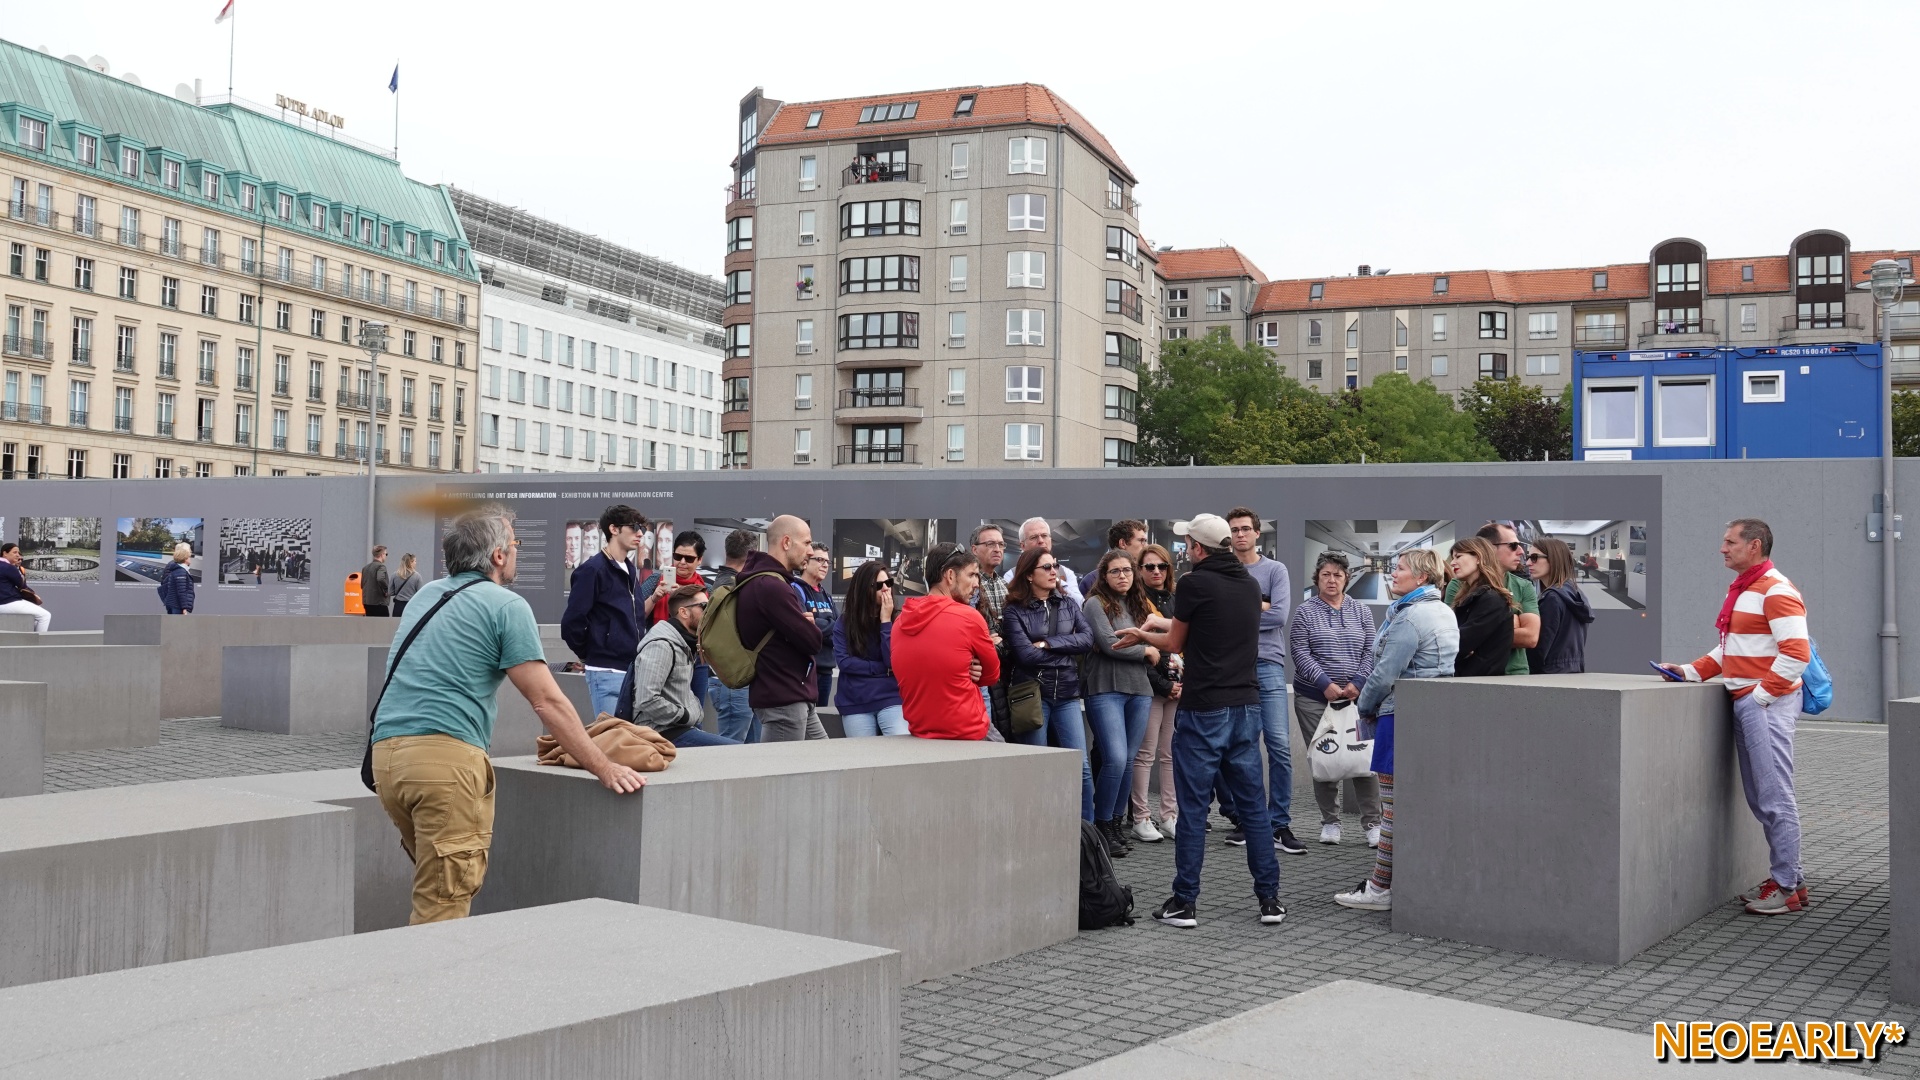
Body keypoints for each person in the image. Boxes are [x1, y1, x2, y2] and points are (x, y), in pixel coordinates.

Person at [372, 507, 644, 923]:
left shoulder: (426, 596)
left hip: (387, 760)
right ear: (498, 555)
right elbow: (547, 701)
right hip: (445, 762)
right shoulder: (506, 605)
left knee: (434, 887)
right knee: (442, 907)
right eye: (515, 544)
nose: (517, 551)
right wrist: (604, 767)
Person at [1117, 513, 1285, 929]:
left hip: (1204, 708)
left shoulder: (1194, 583)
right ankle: (1270, 901)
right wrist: (1161, 624)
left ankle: (1184, 901)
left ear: (1196, 547)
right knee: (1254, 808)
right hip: (1247, 706)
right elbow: (1210, 627)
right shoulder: (1249, 584)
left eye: (1188, 543)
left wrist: (1142, 635)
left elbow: (1176, 642)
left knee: (1192, 809)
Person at [1659, 518, 1810, 916]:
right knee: (1764, 797)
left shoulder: (1775, 589)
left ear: (1754, 546)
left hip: (1765, 705)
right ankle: (1791, 880)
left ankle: (1786, 886)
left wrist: (1759, 698)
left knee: (1774, 797)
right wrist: (1689, 671)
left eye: (1730, 542)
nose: (1722, 548)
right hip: (1754, 702)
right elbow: (1731, 649)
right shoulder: (1746, 589)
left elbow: (1797, 653)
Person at [1334, 548, 1458, 912]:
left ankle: (1379, 888)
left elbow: (1385, 674)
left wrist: (1364, 707)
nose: (1393, 573)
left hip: (1396, 715)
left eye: (1400, 568)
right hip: (1429, 716)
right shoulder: (1444, 611)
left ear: (1421, 577)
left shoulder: (1409, 617)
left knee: (1391, 809)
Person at [1224, 507, 1303, 856]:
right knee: (1242, 747)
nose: (1240, 534)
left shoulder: (1275, 570)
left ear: (1257, 533)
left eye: (1245, 529)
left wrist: (1238, 614)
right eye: (1234, 530)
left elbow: (1280, 615)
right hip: (1233, 666)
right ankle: (1251, 821)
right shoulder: (1225, 570)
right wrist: (1260, 605)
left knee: (1279, 745)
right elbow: (1215, 617)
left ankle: (1279, 823)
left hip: (1268, 664)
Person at [1289, 551, 1381, 847]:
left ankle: (1373, 824)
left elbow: (1371, 651)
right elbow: (1300, 652)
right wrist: (1324, 683)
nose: (1332, 580)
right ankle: (1330, 822)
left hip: (1357, 699)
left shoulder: (1361, 611)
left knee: (1363, 757)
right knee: (1325, 757)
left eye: (1338, 575)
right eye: (1326, 575)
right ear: (1317, 579)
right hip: (1314, 697)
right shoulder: (1305, 612)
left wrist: (1358, 683)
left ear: (1346, 579)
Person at [1003, 545, 1096, 821]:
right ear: (1029, 575)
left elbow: (1087, 640)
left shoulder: (1068, 603)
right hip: (1033, 695)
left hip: (1067, 693)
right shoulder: (1014, 610)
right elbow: (1025, 655)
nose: (1054, 571)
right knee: (1036, 766)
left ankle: (1086, 833)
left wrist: (1048, 643)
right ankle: (1037, 830)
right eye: (1046, 567)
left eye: (1055, 565)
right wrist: (1065, 651)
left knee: (1081, 767)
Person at [1083, 548, 1160, 859]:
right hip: (1105, 688)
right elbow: (1109, 643)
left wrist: (1149, 644)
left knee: (1128, 761)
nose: (1122, 576)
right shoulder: (1094, 603)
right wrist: (1145, 650)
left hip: (1140, 689)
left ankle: (1115, 825)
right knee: (1114, 759)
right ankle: (1102, 826)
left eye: (1127, 570)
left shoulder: (1140, 603)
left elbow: (1157, 638)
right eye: (1115, 571)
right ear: (1104, 575)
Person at [735, 514, 828, 741]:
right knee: (784, 765)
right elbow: (813, 641)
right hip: (784, 700)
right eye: (806, 543)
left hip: (793, 695)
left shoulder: (767, 582)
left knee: (824, 757)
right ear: (786, 542)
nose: (810, 551)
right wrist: (809, 627)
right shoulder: (771, 586)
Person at [894, 543, 1001, 740]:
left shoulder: (900, 622)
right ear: (950, 576)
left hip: (920, 732)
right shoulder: (969, 617)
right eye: (971, 575)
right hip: (969, 732)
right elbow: (992, 675)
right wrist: (969, 670)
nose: (976, 584)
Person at [625, 584, 739, 748]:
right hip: (660, 733)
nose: (708, 612)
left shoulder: (683, 643)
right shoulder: (661, 646)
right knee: (738, 751)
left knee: (742, 751)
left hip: (677, 729)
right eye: (704, 606)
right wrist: (685, 715)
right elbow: (646, 699)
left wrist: (692, 713)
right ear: (684, 612)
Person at [560, 505, 647, 719]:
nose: (640, 533)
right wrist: (591, 652)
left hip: (631, 670)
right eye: (634, 527)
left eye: (642, 528)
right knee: (610, 735)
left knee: (629, 737)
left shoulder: (629, 569)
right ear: (614, 529)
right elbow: (572, 622)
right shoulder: (593, 569)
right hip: (606, 671)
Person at [1130, 543, 1182, 842]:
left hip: (1177, 685)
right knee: (1145, 754)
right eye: (1149, 566)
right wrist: (1164, 684)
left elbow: (1185, 643)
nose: (1156, 571)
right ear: (1140, 570)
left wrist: (1180, 682)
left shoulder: (1176, 600)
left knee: (1170, 754)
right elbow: (1139, 649)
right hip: (1148, 686)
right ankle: (1141, 817)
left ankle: (1169, 816)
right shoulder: (1136, 603)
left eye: (1162, 566)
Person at [1444, 523, 1540, 675]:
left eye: (1458, 556)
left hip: (1509, 674)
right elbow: (1451, 634)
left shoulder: (1506, 593)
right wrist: (1508, 624)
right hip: (1473, 675)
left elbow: (1531, 637)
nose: (1521, 551)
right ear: (1488, 548)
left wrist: (1488, 633)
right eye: (1513, 546)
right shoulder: (1458, 586)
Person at [640, 530, 715, 704]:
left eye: (689, 559)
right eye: (678, 556)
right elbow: (635, 616)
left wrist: (685, 599)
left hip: (696, 657)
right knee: (659, 706)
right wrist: (655, 598)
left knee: (695, 709)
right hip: (660, 654)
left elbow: (711, 627)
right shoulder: (655, 581)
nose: (682, 562)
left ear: (699, 560)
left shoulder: (706, 590)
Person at [834, 560, 906, 736]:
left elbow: (892, 661)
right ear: (864, 589)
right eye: (878, 585)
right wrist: (880, 669)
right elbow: (845, 663)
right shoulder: (845, 622)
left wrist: (885, 621)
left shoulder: (898, 619)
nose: (885, 589)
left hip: (890, 697)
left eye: (888, 583)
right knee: (862, 751)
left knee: (900, 744)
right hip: (855, 700)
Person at [707, 529, 760, 743]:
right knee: (731, 748)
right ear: (752, 555)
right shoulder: (730, 587)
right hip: (733, 679)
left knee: (752, 750)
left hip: (737, 678)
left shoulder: (726, 584)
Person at [1448, 536, 1515, 677]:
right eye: (1452, 558)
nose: (1452, 563)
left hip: (1477, 682)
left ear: (1478, 558)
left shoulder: (1491, 599)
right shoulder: (1473, 597)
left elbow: (1461, 642)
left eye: (1458, 556)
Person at [1526, 537, 1592, 675]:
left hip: (1548, 676)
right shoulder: (1575, 593)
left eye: (1534, 558)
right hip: (1571, 673)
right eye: (1528, 557)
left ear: (1553, 559)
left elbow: (1539, 649)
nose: (1528, 563)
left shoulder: (1552, 598)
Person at [794, 542, 838, 709]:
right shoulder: (795, 589)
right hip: (804, 671)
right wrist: (830, 625)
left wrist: (818, 625)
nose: (825, 565)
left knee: (821, 718)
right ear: (805, 562)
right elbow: (803, 627)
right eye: (820, 560)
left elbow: (840, 629)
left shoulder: (826, 595)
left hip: (826, 671)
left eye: (827, 561)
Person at [1003, 517, 1083, 604]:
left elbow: (1079, 604)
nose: (1041, 541)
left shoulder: (1066, 573)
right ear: (1022, 546)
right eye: (1033, 537)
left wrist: (1058, 582)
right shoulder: (1011, 576)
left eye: (1044, 536)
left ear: (1050, 540)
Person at [1080, 519, 1147, 597]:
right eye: (1142, 540)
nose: (1146, 545)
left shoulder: (1148, 575)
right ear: (1123, 543)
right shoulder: (1092, 581)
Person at [0, 543, 51, 631]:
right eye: (14, 552)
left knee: (36, 619)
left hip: (4, 603)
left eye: (18, 553)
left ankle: (30, 637)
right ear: (5, 553)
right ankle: (39, 640)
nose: (17, 555)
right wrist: (34, 595)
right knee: (45, 616)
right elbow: (22, 586)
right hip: (7, 602)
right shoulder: (9, 567)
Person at [158, 542, 196, 615]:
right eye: (189, 556)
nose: (190, 558)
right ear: (185, 557)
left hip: (174, 604)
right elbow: (181, 591)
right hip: (177, 605)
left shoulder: (177, 569)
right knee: (178, 622)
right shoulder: (180, 571)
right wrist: (184, 608)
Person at [360, 545, 393, 617]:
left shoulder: (365, 568)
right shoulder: (381, 566)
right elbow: (380, 578)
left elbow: (362, 584)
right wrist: (386, 590)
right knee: (384, 622)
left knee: (371, 622)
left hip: (367, 602)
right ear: (382, 554)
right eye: (386, 554)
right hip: (379, 602)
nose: (386, 556)